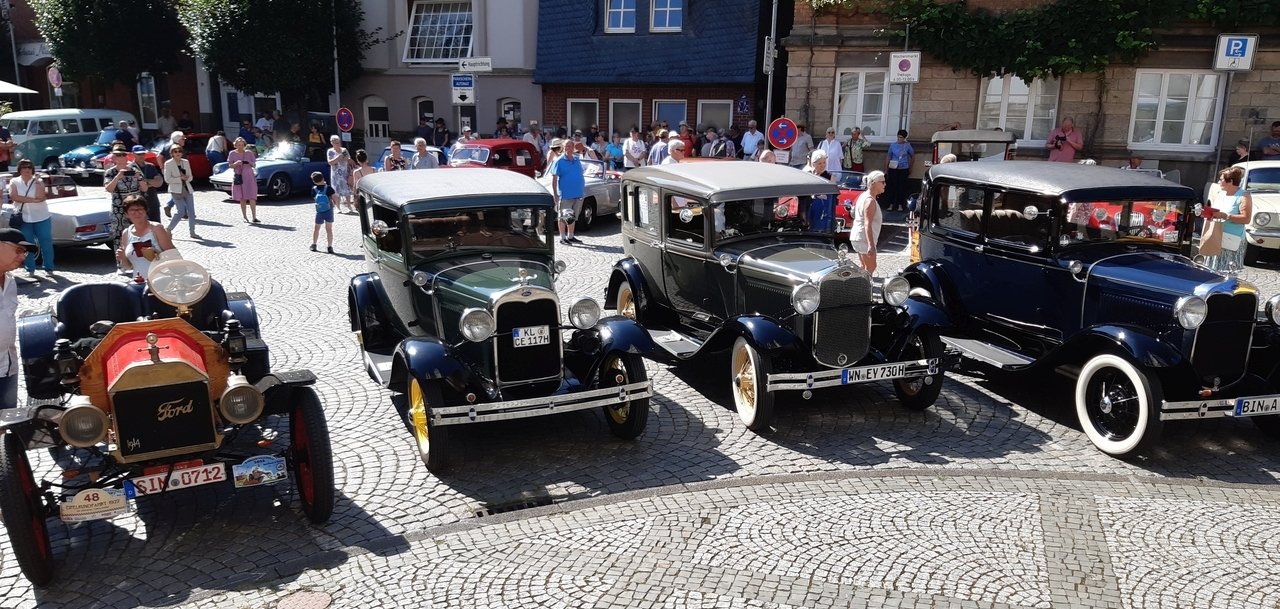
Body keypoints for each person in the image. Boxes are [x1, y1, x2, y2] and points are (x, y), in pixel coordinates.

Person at [0, 228, 36, 408]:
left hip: (7, 366)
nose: (23, 257)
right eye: (18, 250)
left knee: (5, 421)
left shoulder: (10, 282)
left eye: (25, 252)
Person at [104, 145, 148, 274]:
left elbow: (145, 188)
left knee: (140, 234)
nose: (121, 157)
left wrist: (138, 177)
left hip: (137, 208)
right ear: (114, 158)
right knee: (119, 237)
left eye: (123, 154)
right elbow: (108, 189)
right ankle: (122, 264)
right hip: (120, 210)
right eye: (118, 155)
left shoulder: (134, 169)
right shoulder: (110, 172)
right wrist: (118, 177)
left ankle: (141, 261)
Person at [8, 159, 54, 279]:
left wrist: (38, 182)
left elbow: (41, 197)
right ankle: (30, 269)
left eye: (29, 167)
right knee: (27, 245)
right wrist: (32, 200)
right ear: (20, 169)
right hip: (23, 218)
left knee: (46, 242)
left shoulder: (38, 181)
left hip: (41, 216)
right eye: (24, 167)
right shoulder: (14, 181)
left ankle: (49, 268)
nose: (27, 170)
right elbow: (14, 196)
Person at [1204, 166, 1253, 273]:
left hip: (1231, 239)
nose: (1219, 182)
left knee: (1227, 270)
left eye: (1221, 179)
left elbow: (1246, 219)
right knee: (1211, 269)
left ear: (1230, 181)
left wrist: (1226, 216)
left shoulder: (1243, 196)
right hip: (1216, 235)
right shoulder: (1221, 194)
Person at [116, 195, 175, 281]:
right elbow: (128, 267)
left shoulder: (157, 228)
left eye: (140, 209)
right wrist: (122, 258)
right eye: (132, 210)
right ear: (126, 214)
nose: (137, 212)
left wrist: (157, 255)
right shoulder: (126, 233)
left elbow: (174, 256)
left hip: (163, 281)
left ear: (146, 211)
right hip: (140, 282)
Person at [849, 170, 886, 275]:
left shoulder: (864, 196)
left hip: (859, 237)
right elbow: (867, 223)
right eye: (882, 182)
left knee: (864, 267)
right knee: (870, 267)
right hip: (863, 238)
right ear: (874, 183)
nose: (885, 184)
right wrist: (871, 245)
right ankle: (863, 289)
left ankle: (858, 287)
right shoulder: (869, 201)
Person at [550, 139, 585, 245]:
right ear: (563, 148)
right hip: (565, 194)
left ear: (573, 147)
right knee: (563, 216)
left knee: (572, 216)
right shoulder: (559, 161)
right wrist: (555, 194)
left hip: (577, 193)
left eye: (570, 146)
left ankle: (571, 236)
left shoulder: (576, 159)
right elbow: (554, 179)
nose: (568, 148)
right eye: (566, 147)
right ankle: (562, 237)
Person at [163, 144, 199, 239]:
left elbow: (191, 176)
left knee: (191, 212)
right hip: (176, 191)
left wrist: (187, 178)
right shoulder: (168, 163)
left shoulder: (185, 162)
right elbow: (167, 179)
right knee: (181, 212)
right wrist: (180, 178)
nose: (178, 153)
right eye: (175, 151)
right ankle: (169, 229)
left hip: (187, 189)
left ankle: (192, 232)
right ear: (172, 153)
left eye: (179, 151)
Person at [228, 137, 259, 223]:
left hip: (249, 176)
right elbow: (230, 165)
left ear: (244, 145)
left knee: (252, 197)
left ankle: (254, 217)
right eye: (238, 145)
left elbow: (254, 164)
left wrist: (250, 163)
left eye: (242, 145)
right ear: (235, 145)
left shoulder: (249, 153)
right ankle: (245, 217)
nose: (240, 147)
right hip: (239, 177)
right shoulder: (232, 153)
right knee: (242, 198)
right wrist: (236, 164)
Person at [326, 135, 357, 213]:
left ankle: (349, 206)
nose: (338, 144)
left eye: (339, 142)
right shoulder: (330, 151)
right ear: (332, 143)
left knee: (346, 189)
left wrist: (345, 158)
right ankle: (337, 207)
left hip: (344, 173)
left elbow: (349, 159)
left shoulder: (344, 150)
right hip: (335, 175)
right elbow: (330, 162)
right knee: (336, 190)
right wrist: (338, 158)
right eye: (336, 143)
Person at [885, 129, 914, 211]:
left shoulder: (907, 146)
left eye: (901, 137)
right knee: (892, 187)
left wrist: (910, 167)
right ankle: (890, 204)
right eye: (898, 137)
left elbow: (912, 156)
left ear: (904, 138)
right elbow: (888, 157)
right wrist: (886, 169)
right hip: (893, 168)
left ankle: (900, 205)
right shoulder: (893, 145)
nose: (899, 139)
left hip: (903, 168)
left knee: (901, 187)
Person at [309, 172, 335, 254]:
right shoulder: (329, 188)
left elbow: (314, 198)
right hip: (329, 210)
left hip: (319, 211)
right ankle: (330, 246)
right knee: (329, 229)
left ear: (314, 181)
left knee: (317, 228)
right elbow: (335, 197)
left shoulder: (314, 189)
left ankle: (314, 244)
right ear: (323, 179)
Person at [136, 145, 163, 222]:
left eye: (143, 154)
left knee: (156, 225)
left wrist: (146, 181)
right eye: (139, 154)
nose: (141, 156)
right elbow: (136, 186)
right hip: (138, 203)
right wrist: (151, 183)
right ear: (133, 154)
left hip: (152, 201)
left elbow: (159, 182)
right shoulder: (130, 168)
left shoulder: (150, 166)